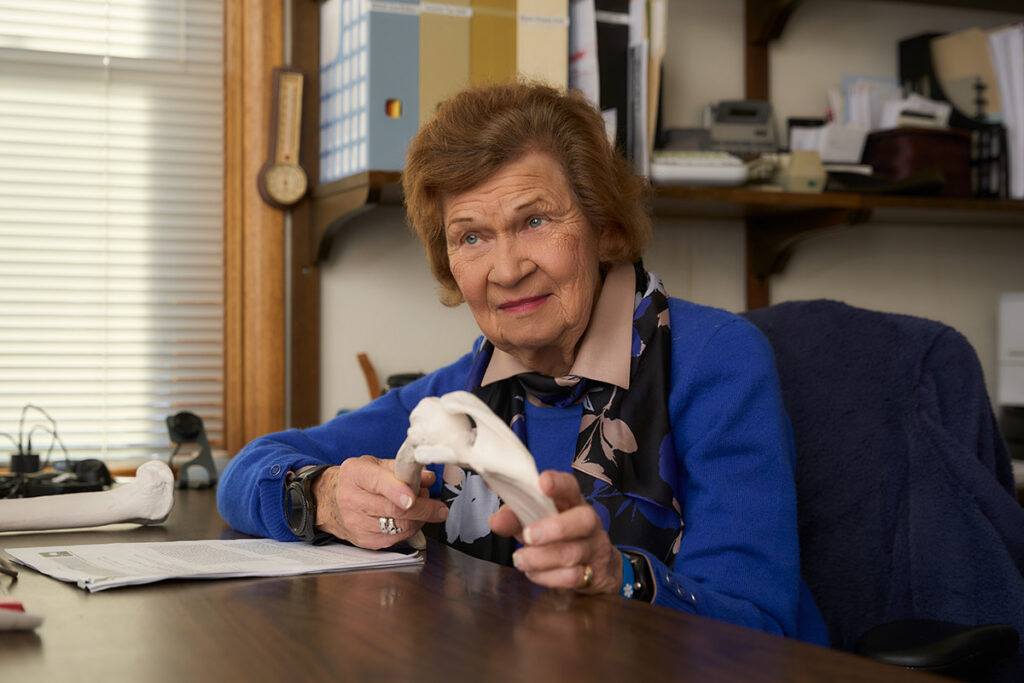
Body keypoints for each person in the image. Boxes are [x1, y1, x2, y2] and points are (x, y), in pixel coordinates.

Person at [217, 81, 828, 644]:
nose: (506, 271)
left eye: (534, 220)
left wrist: (619, 578)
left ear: (604, 226)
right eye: (472, 236)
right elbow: (247, 470)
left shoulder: (716, 360)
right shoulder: (468, 389)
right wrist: (322, 495)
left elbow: (758, 626)